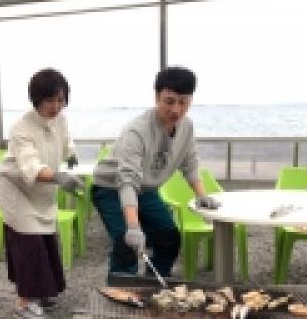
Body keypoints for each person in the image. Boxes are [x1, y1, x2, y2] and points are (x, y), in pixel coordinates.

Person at [91, 66, 220, 278]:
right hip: (111, 187)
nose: (176, 110)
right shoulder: (137, 131)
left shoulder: (186, 127)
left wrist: (202, 195)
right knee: (127, 243)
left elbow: (189, 163)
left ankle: (153, 284)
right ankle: (122, 293)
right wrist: (133, 226)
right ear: (156, 96)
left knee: (169, 236)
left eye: (183, 102)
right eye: (169, 101)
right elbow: (127, 182)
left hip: (146, 188)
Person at [0, 68, 82, 319]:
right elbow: (30, 166)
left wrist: (71, 156)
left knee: (45, 236)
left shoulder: (61, 120)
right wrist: (59, 178)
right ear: (37, 100)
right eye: (50, 101)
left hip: (41, 190)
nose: (56, 106)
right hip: (16, 187)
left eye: (60, 99)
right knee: (28, 239)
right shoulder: (21, 128)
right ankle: (24, 302)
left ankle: (43, 290)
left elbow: (66, 141)